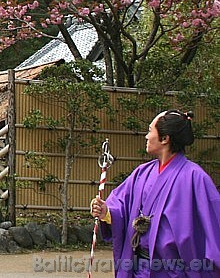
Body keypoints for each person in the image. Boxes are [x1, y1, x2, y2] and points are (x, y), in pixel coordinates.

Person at [90, 110, 220, 277]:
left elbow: (213, 228)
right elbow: (120, 204)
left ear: (165, 139)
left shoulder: (196, 178)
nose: (146, 136)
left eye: (150, 130)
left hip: (174, 271)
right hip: (139, 268)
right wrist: (106, 212)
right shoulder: (142, 173)